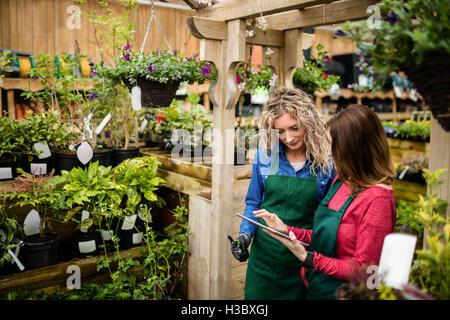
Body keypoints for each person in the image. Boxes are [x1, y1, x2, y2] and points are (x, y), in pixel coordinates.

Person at [254, 104, 397, 300]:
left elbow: (364, 271)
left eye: (333, 145)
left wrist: (308, 258)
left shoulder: (377, 200)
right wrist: (287, 230)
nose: (329, 153)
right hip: (317, 288)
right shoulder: (342, 181)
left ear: (354, 148)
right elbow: (325, 236)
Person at [230, 87, 335, 300]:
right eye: (280, 131)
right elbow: (253, 203)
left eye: (294, 128)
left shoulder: (326, 163)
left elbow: (327, 219)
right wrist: (245, 235)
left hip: (303, 259)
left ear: (308, 123)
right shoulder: (266, 156)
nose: (288, 137)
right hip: (264, 260)